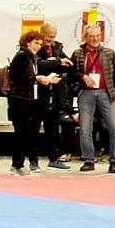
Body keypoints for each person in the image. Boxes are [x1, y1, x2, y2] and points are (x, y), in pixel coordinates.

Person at [69, 24, 115, 173]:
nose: (95, 39)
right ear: (85, 37)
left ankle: (114, 161)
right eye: (91, 36)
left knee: (114, 127)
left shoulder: (109, 53)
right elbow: (71, 73)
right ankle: (88, 159)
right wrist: (82, 76)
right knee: (85, 128)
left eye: (97, 36)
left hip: (106, 93)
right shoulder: (78, 53)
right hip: (85, 93)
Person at [7, 30, 55, 175]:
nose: (37, 46)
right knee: (21, 132)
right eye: (35, 43)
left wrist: (40, 79)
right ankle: (17, 164)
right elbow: (19, 77)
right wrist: (38, 78)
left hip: (27, 99)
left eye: (40, 44)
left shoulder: (30, 57)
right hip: (19, 99)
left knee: (25, 133)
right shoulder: (22, 56)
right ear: (27, 42)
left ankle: (18, 163)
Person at [35, 22, 74, 170]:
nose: (51, 39)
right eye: (48, 37)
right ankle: (34, 160)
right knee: (35, 127)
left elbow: (67, 64)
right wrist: (56, 63)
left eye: (53, 36)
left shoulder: (57, 47)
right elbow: (39, 65)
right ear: (42, 34)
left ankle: (54, 158)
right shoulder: (36, 47)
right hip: (39, 93)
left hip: (55, 91)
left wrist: (56, 62)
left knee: (52, 128)